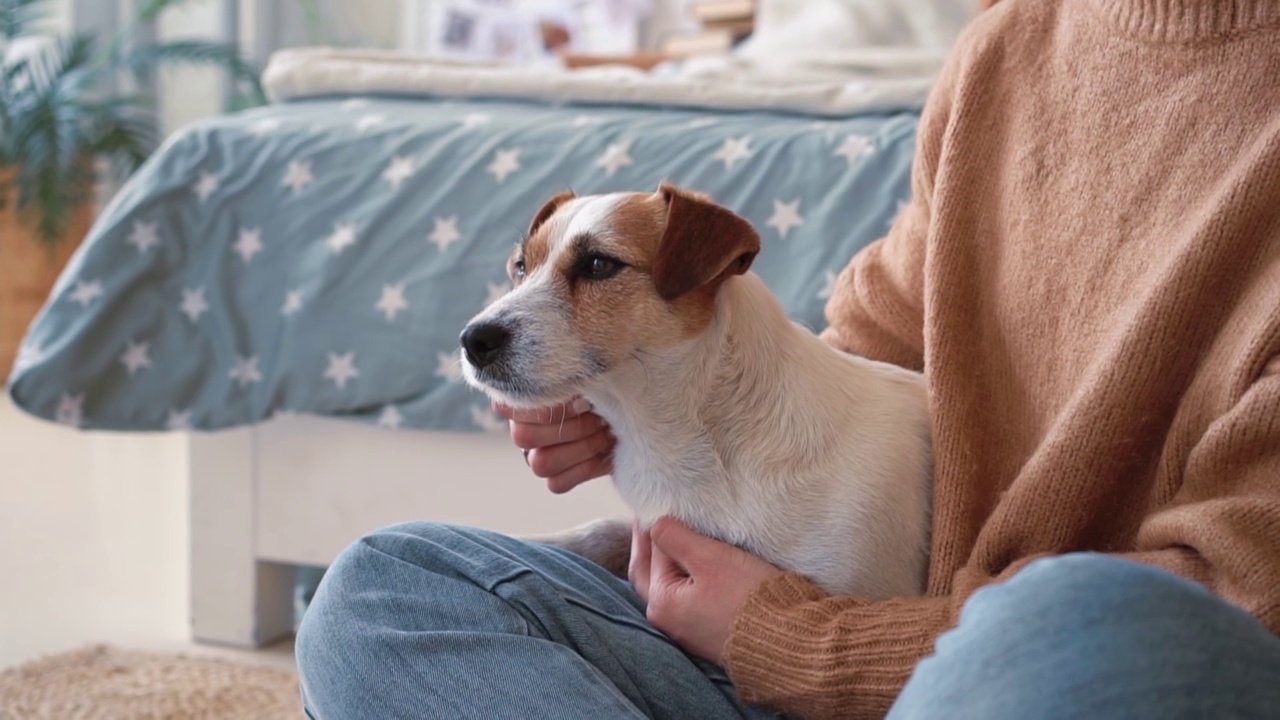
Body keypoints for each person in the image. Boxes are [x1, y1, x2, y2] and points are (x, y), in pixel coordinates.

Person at [294, 1, 1280, 717]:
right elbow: (862, 360)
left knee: (1080, 615)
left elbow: (1245, 599)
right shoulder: (1006, 45)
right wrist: (663, 406)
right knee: (385, 588)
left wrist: (789, 639)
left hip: (1052, 662)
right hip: (797, 620)